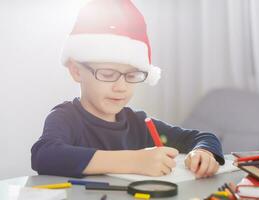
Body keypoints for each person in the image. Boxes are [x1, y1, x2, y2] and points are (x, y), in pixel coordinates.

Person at [31, 0, 224, 178]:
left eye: (131, 76)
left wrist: (203, 152)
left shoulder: (139, 123)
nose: (121, 87)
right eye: (107, 74)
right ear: (76, 71)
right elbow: (45, 155)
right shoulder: (66, 118)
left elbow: (202, 137)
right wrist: (134, 161)